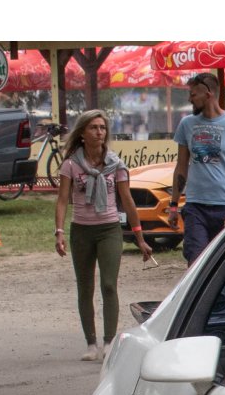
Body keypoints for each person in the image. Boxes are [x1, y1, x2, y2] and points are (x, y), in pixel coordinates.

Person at [53, 109, 153, 361]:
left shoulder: (116, 164)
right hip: (81, 231)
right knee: (85, 287)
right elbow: (63, 200)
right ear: (83, 134)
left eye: (102, 128)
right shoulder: (71, 165)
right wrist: (59, 232)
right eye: (94, 128)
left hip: (109, 229)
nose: (99, 132)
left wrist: (140, 237)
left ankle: (109, 342)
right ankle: (91, 343)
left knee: (109, 284)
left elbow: (127, 201)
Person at [167, 72, 225, 263]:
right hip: (196, 206)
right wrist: (173, 204)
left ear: (208, 93)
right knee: (196, 261)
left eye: (193, 95)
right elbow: (181, 167)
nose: (190, 99)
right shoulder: (187, 124)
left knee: (224, 263)